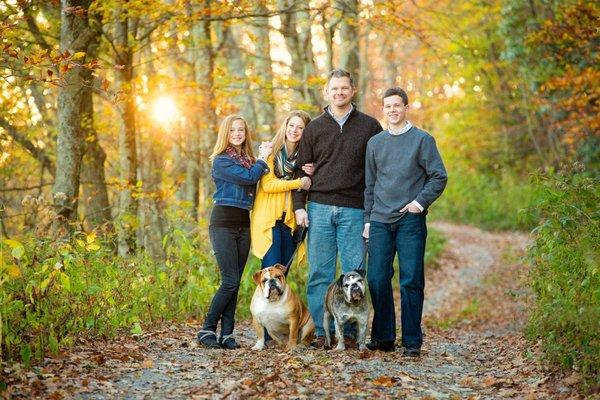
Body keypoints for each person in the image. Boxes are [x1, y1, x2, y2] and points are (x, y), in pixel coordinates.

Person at [293, 69, 383, 348]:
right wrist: (299, 207)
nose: (340, 93)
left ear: (352, 91)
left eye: (344, 88)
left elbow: (379, 167)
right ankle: (323, 332)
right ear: (327, 92)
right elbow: (301, 173)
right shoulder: (314, 128)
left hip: (354, 210)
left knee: (356, 270)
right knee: (320, 271)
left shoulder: (370, 127)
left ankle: (353, 334)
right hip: (318, 207)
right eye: (335, 89)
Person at [363, 87, 447, 356]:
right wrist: (367, 219)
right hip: (379, 221)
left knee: (411, 280)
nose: (392, 110)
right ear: (383, 109)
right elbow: (370, 185)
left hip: (410, 221)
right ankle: (384, 337)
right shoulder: (375, 143)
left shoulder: (422, 140)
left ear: (406, 108)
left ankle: (412, 340)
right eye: (387, 106)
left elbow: (438, 177)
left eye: (397, 105)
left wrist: (418, 204)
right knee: (376, 278)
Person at [197, 114, 272, 350]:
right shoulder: (221, 161)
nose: (237, 134)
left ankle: (227, 334)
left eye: (241, 130)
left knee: (236, 282)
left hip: (243, 223)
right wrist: (262, 159)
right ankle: (207, 329)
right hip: (223, 223)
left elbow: (258, 179)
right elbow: (249, 178)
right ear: (225, 135)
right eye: (232, 131)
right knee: (229, 281)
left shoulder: (249, 160)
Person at [251, 110, 312, 269]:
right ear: (285, 126)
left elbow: (309, 185)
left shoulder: (305, 158)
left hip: (289, 221)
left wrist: (314, 171)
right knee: (270, 274)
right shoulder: (269, 151)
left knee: (281, 276)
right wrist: (298, 182)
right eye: (291, 125)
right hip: (268, 220)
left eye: (300, 127)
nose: (294, 130)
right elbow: (268, 185)